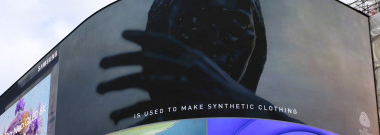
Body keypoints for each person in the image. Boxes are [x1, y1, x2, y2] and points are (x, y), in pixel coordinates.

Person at [97, 0, 296, 125]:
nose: (213, 43)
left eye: (235, 27)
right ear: (160, 34)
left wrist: (245, 105)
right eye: (191, 26)